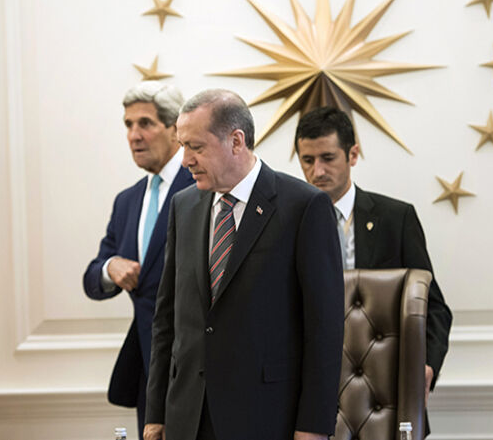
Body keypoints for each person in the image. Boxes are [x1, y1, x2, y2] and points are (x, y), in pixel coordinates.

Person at [144, 90, 344, 440]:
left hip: (266, 417)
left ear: (236, 141)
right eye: (182, 146)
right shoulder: (183, 206)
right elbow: (167, 320)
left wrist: (313, 426)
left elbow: (324, 331)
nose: (185, 159)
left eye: (196, 147)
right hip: (187, 418)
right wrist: (155, 414)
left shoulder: (304, 207)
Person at [294, 106, 453, 435]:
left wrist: (427, 366)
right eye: (307, 160)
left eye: (327, 158)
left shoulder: (395, 218)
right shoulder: (288, 223)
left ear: (352, 154)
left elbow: (434, 307)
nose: (317, 171)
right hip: (311, 392)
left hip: (386, 389)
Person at [83, 81, 194, 439]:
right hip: (149, 370)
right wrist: (109, 268)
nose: (134, 135)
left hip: (195, 370)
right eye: (128, 125)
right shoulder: (128, 201)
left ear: (175, 129)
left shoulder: (203, 187)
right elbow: (92, 278)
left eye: (145, 123)